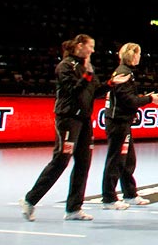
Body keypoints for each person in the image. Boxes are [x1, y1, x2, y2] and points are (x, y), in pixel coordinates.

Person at [21, 35, 128, 222]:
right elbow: (73, 90)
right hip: (68, 119)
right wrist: (87, 74)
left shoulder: (87, 68)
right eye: (91, 46)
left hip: (84, 119)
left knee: (83, 162)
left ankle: (73, 209)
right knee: (61, 160)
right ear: (80, 46)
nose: (93, 51)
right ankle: (30, 200)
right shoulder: (65, 66)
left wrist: (111, 84)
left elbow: (94, 91)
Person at [100, 43, 158, 210]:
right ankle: (108, 197)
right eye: (138, 53)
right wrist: (150, 100)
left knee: (128, 160)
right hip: (117, 122)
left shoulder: (127, 72)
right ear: (131, 55)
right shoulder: (123, 74)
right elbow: (129, 101)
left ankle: (130, 193)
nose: (140, 57)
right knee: (115, 160)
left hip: (123, 122)